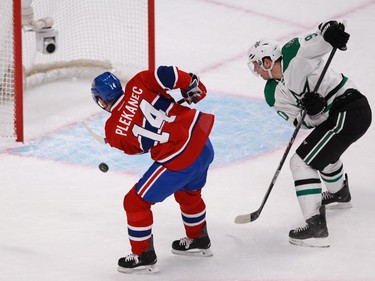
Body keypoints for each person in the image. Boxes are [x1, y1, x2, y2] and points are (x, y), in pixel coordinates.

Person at [246, 20, 372, 248]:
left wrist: (331, 30)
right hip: (338, 115)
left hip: (350, 109)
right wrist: (316, 110)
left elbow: (320, 37)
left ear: (267, 60)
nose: (255, 70)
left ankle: (316, 227)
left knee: (301, 163)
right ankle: (339, 193)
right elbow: (304, 122)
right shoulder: (272, 93)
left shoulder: (291, 52)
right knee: (321, 152)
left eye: (256, 64)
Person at [90, 66, 215, 273]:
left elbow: (139, 148)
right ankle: (198, 239)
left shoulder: (112, 131)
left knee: (134, 202)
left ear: (101, 101)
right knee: (188, 193)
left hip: (180, 158)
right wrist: (191, 85)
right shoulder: (139, 82)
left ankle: (143, 255)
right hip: (202, 143)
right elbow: (170, 74)